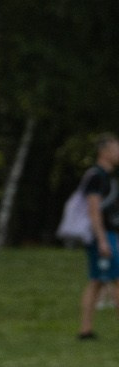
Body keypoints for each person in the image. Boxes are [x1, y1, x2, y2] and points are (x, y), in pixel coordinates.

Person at [76, 133, 119, 339]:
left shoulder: (105, 176)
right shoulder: (96, 176)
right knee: (113, 280)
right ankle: (85, 329)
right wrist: (102, 240)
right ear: (104, 152)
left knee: (98, 282)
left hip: (106, 234)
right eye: (116, 149)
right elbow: (93, 210)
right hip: (101, 236)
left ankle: (85, 330)